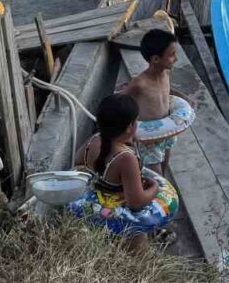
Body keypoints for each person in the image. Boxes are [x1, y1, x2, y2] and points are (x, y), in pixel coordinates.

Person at [68, 93, 179, 251]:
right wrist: (155, 186)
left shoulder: (94, 140)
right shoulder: (126, 159)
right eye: (136, 122)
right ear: (129, 127)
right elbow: (136, 202)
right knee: (139, 253)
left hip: (100, 200)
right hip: (125, 221)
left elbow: (79, 163)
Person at [123, 29, 184, 175]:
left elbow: (165, 92)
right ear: (156, 59)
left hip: (166, 131)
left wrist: (184, 98)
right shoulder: (139, 83)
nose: (175, 59)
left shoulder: (166, 73)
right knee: (154, 174)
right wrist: (127, 132)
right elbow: (123, 104)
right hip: (149, 138)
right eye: (172, 55)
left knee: (164, 164)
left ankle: (162, 181)